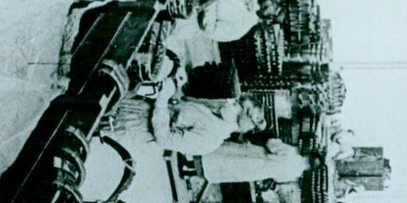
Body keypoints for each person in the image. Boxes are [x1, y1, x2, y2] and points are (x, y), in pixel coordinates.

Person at [104, 80, 266, 156]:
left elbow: (164, 139)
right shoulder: (216, 115)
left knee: (90, 121)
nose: (231, 101)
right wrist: (176, 85)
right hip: (136, 109)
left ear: (241, 118)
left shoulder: (211, 139)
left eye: (237, 104)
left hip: (132, 128)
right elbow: (184, 103)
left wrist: (162, 100)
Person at [202, 137, 309, 186]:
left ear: (308, 155)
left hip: (256, 156)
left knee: (225, 155)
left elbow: (270, 144)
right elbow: (277, 179)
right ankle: (197, 172)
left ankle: (195, 156)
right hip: (258, 173)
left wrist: (277, 140)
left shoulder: (292, 152)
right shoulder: (295, 175)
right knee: (229, 172)